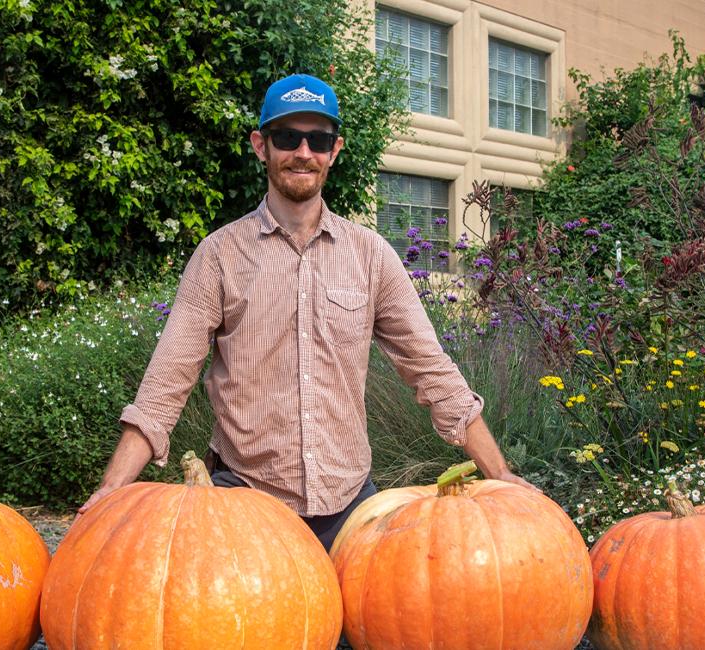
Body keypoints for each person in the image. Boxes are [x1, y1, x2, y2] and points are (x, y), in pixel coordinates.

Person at [77, 73, 535, 550]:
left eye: (317, 139)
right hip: (245, 499)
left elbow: (433, 371)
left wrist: (499, 474)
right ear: (261, 146)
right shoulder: (219, 256)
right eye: (286, 137)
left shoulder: (371, 255)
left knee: (384, 617)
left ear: (334, 150)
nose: (303, 152)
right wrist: (113, 489)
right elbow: (164, 385)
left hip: (349, 503)